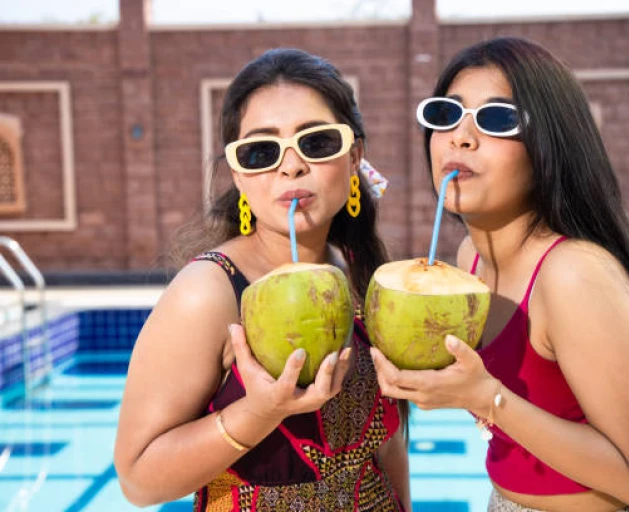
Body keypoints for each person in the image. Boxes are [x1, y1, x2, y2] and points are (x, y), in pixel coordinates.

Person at [371, 37, 629, 512]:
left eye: (497, 119)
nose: (461, 137)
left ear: (548, 147)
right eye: (446, 114)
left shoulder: (572, 274)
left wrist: (486, 396)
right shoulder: (469, 258)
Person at [114, 48, 410, 511]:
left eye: (316, 142)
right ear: (239, 174)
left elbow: (387, 444)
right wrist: (257, 413)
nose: (290, 166)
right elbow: (138, 480)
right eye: (261, 150)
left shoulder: (358, 268)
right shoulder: (209, 293)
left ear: (355, 157)